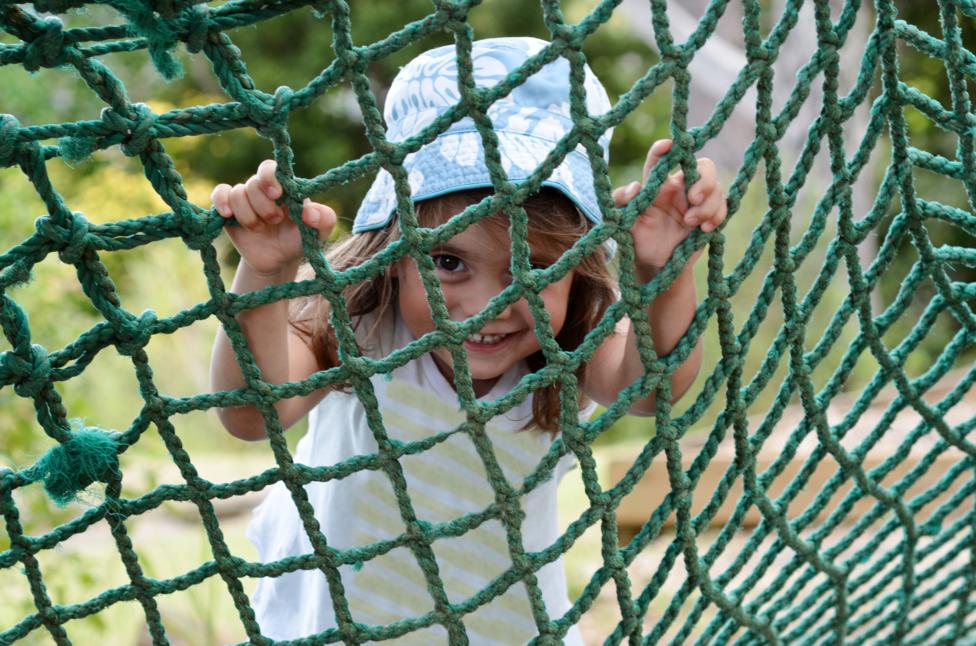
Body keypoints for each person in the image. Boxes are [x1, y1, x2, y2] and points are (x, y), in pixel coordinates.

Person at [210, 37, 726, 644]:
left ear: (576, 264)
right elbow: (252, 413)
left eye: (531, 269)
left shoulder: (568, 349)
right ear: (396, 250)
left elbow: (651, 388)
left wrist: (663, 274)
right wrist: (267, 275)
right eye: (449, 262)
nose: (489, 307)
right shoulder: (365, 327)